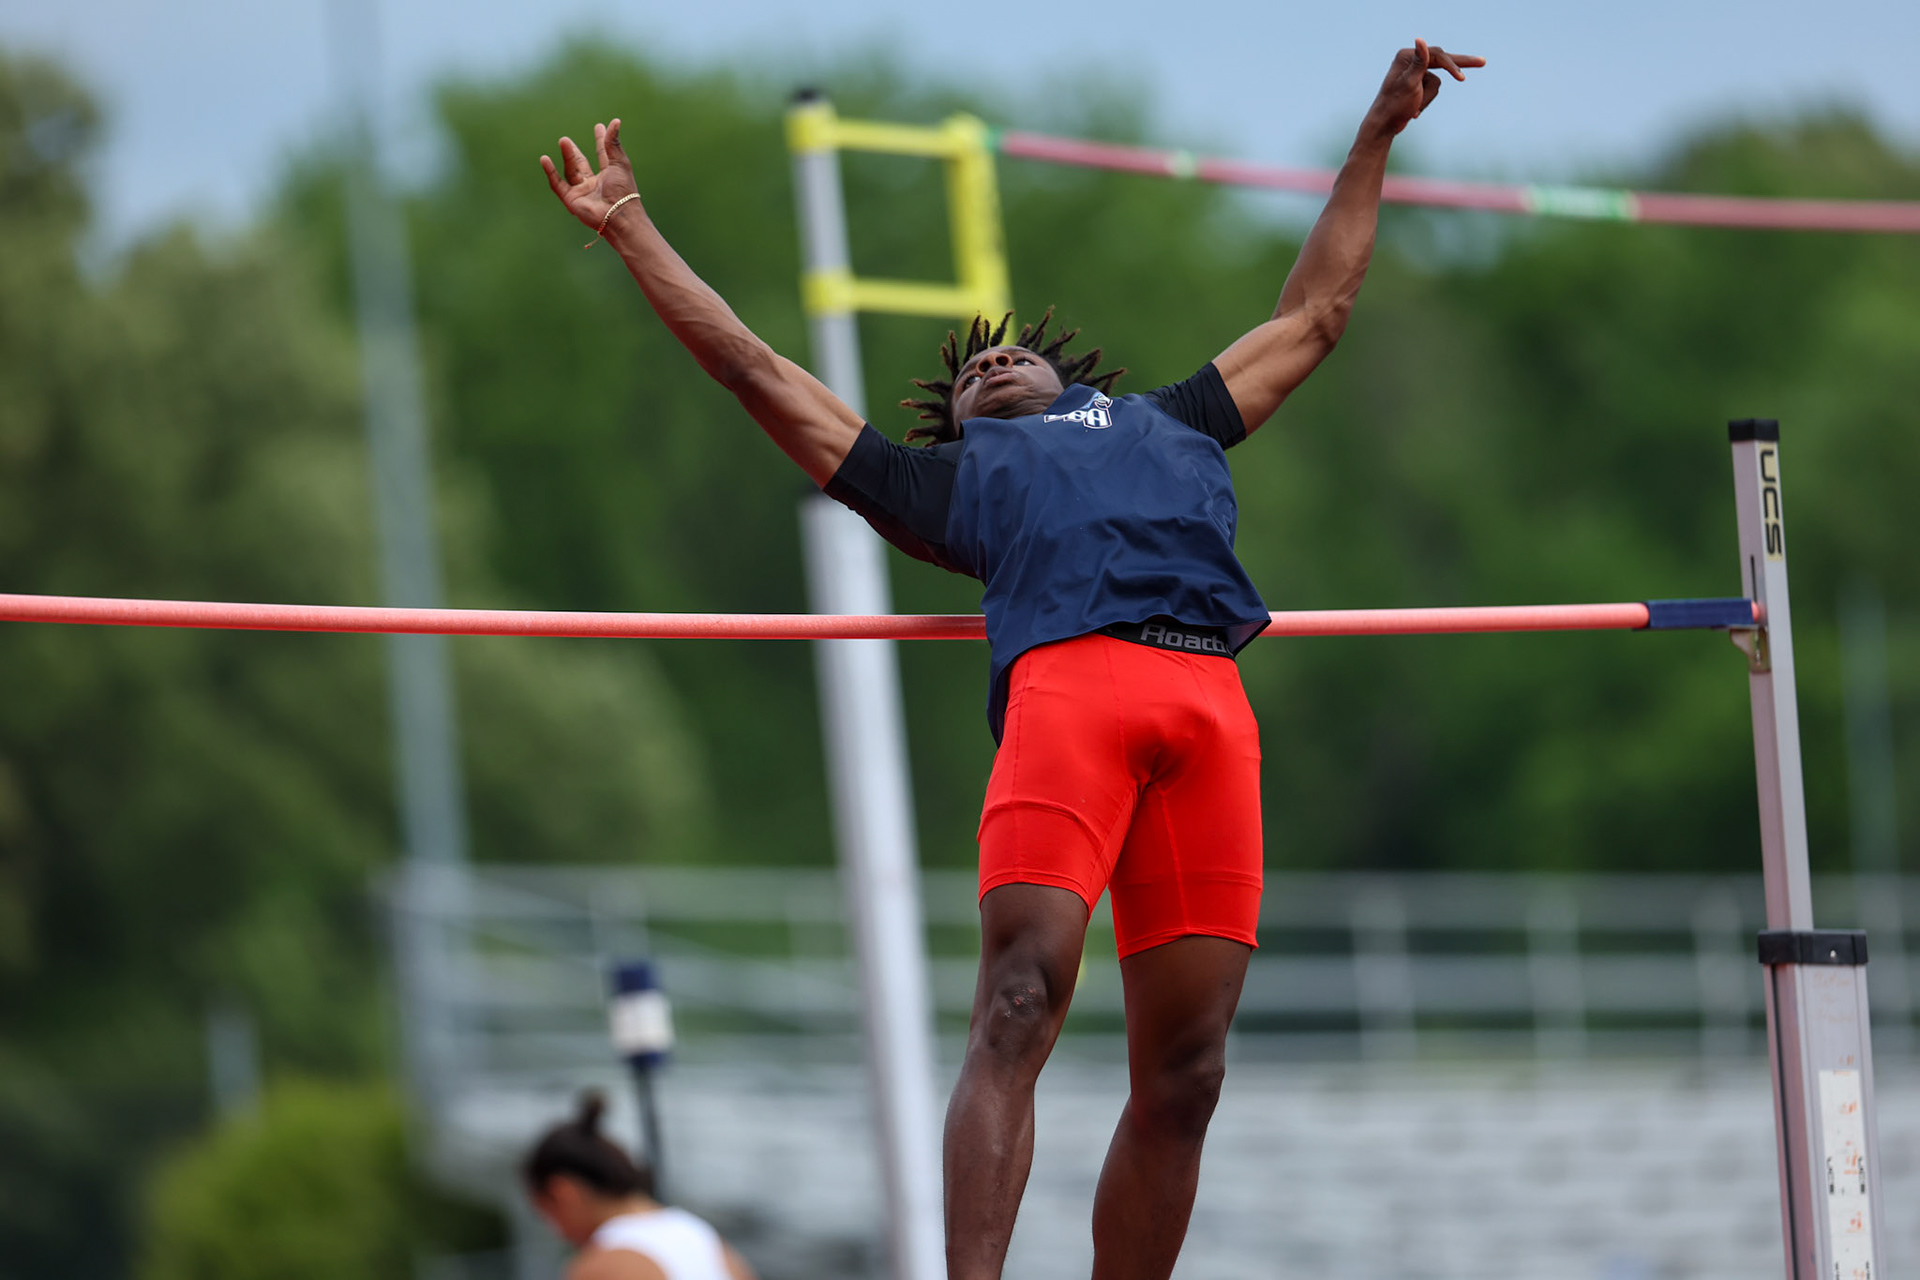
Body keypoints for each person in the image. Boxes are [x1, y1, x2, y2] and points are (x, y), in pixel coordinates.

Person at [541, 39, 1481, 1280]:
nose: (987, 363)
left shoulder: (1174, 422)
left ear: (1069, 371)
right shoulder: (947, 487)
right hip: (1072, 698)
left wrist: (1373, 139)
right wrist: (632, 230)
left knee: (1188, 1073)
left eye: (1003, 354)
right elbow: (753, 368)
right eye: (967, 376)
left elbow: (1317, 312)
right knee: (1020, 1006)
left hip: (1210, 705)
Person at [523, 1091, 758, 1280]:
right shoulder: (706, 1239)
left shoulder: (603, 1266)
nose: (559, 1234)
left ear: (564, 1193)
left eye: (548, 1215)